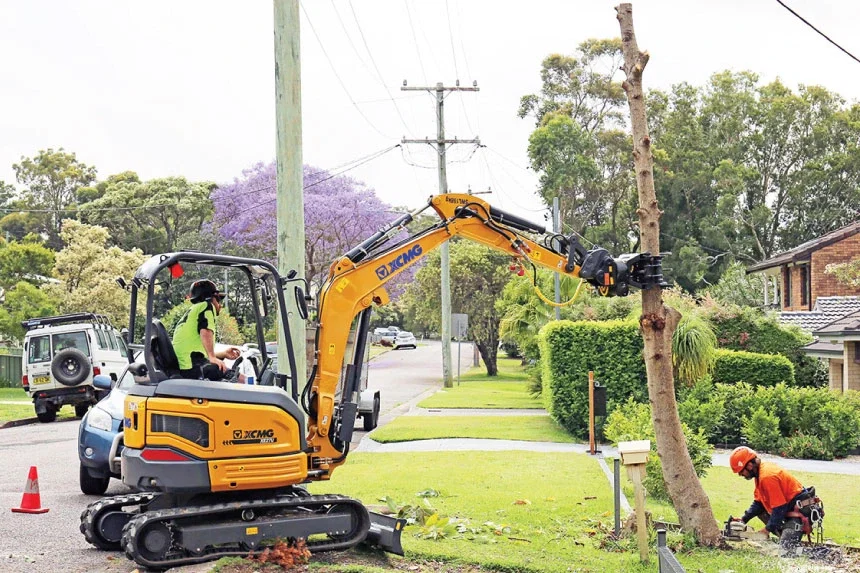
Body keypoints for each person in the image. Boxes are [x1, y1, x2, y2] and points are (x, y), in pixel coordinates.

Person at [729, 445, 814, 548]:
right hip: (788, 507)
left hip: (800, 510)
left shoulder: (767, 477)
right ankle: (786, 537)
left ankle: (803, 550)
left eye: (741, 471)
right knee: (764, 515)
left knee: (787, 551)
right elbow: (759, 503)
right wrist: (743, 519)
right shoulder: (759, 473)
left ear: (749, 466)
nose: (741, 475)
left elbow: (779, 508)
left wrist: (767, 530)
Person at [172, 279, 243, 382]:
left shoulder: (194, 311)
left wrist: (222, 354)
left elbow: (196, 353)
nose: (220, 305)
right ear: (211, 298)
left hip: (187, 366)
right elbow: (205, 330)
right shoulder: (207, 306)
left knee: (228, 373)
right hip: (193, 367)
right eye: (218, 299)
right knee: (243, 380)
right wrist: (212, 357)